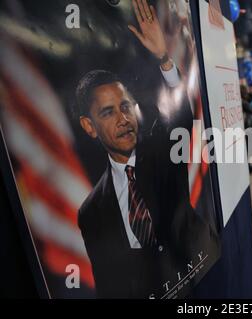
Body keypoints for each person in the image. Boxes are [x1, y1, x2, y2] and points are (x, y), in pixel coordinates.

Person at [75, 0, 219, 298]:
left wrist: (163, 57)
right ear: (89, 126)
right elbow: (108, 282)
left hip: (198, 273)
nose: (124, 119)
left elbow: (181, 115)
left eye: (126, 107)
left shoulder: (160, 149)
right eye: (108, 113)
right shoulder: (90, 212)